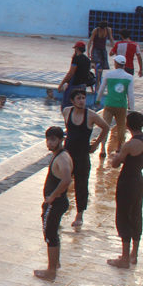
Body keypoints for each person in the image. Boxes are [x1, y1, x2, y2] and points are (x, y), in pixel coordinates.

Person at [107, 111, 143, 268]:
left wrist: (116, 154)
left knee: (123, 217)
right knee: (136, 215)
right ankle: (134, 254)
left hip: (127, 182)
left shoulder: (130, 145)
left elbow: (115, 163)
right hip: (139, 180)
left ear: (127, 125)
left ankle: (124, 258)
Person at [61, 87, 109, 227]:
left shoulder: (91, 115)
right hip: (67, 155)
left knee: (81, 186)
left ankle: (79, 214)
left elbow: (106, 127)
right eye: (79, 98)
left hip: (82, 156)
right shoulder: (66, 111)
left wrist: (95, 145)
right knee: (62, 183)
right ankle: (59, 211)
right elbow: (69, 131)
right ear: (72, 100)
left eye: (83, 98)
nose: (82, 101)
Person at [35, 126, 73, 281]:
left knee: (50, 234)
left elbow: (66, 180)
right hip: (58, 202)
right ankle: (55, 264)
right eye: (48, 139)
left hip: (56, 203)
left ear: (61, 140)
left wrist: (52, 197)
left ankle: (51, 271)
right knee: (52, 233)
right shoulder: (61, 155)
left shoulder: (62, 158)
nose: (49, 143)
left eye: (53, 140)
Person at [98, 54, 135, 161]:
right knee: (121, 127)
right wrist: (131, 109)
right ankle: (119, 148)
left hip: (109, 104)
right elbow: (130, 94)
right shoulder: (129, 77)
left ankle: (103, 149)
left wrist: (98, 100)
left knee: (105, 126)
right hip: (121, 105)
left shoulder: (109, 75)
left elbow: (101, 89)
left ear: (116, 63)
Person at [57, 41, 94, 108]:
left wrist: (61, 84)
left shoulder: (76, 59)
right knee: (79, 106)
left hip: (74, 85)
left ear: (77, 49)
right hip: (83, 85)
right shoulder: (87, 60)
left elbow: (71, 73)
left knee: (67, 106)